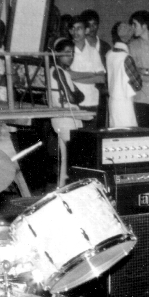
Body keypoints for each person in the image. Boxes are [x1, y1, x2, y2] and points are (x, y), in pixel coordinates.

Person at [48, 37, 85, 187]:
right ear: (57, 54)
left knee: (65, 160)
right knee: (73, 159)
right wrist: (74, 96)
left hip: (61, 118)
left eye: (72, 53)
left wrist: (75, 96)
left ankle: (63, 188)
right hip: (66, 119)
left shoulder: (59, 71)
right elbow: (73, 97)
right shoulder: (58, 71)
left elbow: (80, 96)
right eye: (67, 53)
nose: (71, 57)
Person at [67, 15, 106, 124]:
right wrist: (91, 75)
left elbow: (101, 78)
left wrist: (75, 76)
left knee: (90, 138)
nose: (75, 32)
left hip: (91, 101)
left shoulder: (93, 51)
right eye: (73, 29)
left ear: (86, 30)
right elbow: (67, 75)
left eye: (79, 28)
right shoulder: (67, 51)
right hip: (73, 102)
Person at [105, 22, 141, 128]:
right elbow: (138, 85)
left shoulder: (109, 54)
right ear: (129, 39)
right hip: (124, 103)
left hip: (112, 102)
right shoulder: (126, 58)